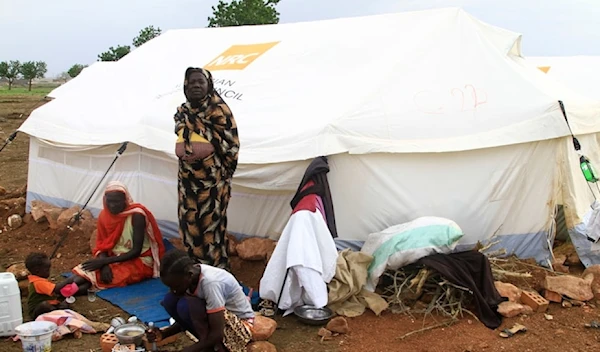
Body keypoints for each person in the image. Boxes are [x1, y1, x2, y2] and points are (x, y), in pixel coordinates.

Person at [174, 67, 240, 270]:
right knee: (189, 222)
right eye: (192, 82)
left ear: (208, 85)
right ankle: (195, 268)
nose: (196, 85)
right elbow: (181, 129)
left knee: (210, 226)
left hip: (212, 183)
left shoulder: (218, 110)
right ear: (185, 85)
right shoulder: (183, 111)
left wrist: (208, 146)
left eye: (200, 82)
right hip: (187, 180)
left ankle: (215, 270)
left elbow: (230, 144)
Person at [59, 181, 165, 293]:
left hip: (139, 260)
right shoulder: (104, 216)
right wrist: (104, 264)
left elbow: (136, 251)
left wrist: (104, 262)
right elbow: (103, 246)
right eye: (110, 201)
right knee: (88, 271)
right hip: (114, 257)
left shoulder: (136, 215)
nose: (113, 205)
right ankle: (59, 290)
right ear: (105, 200)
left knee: (99, 277)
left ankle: (60, 291)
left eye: (117, 201)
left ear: (125, 200)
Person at [149, 249, 254, 352]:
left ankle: (213, 348)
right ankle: (205, 344)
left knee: (185, 305)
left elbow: (217, 334)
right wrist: (164, 334)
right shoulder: (188, 276)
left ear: (189, 275)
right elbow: (187, 319)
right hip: (220, 322)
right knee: (170, 300)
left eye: (176, 286)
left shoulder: (210, 283)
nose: (173, 291)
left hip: (241, 328)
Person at [25, 252, 68, 319]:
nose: (49, 272)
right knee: (45, 305)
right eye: (47, 270)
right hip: (36, 312)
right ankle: (57, 314)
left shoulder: (40, 279)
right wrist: (70, 280)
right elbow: (56, 289)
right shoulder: (38, 283)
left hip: (49, 303)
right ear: (37, 271)